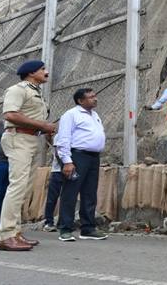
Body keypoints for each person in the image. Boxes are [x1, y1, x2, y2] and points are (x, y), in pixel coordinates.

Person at [0, 60, 56, 251]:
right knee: (17, 186)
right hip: (18, 137)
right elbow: (10, 115)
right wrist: (42, 125)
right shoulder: (18, 89)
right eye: (42, 69)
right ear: (31, 73)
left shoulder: (36, 92)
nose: (46, 73)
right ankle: (6, 235)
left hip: (30, 139)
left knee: (24, 188)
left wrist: (42, 129)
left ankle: (15, 232)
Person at [55, 88, 108, 241]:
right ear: (80, 101)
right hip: (77, 156)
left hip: (93, 157)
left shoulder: (95, 115)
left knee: (90, 193)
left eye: (95, 95)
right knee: (70, 192)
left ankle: (88, 228)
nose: (95, 99)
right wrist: (67, 161)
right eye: (91, 97)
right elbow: (63, 139)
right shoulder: (71, 115)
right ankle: (65, 228)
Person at [42, 153, 63, 232]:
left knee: (67, 198)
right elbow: (58, 152)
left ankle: (62, 222)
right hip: (57, 170)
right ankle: (49, 222)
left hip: (70, 169)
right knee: (52, 198)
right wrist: (64, 164)